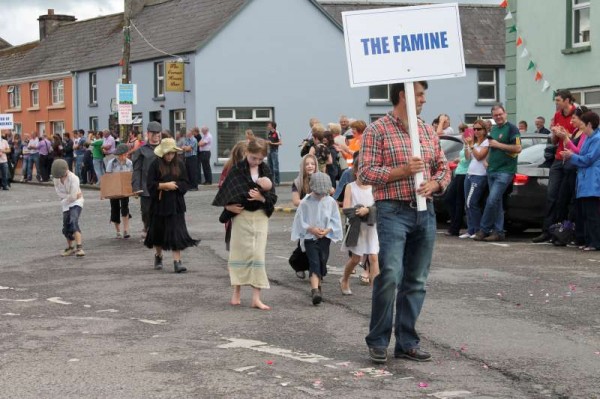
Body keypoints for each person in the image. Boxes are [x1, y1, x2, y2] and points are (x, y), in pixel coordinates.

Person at [358, 81, 450, 364]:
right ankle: (378, 340)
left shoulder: (424, 129)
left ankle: (407, 342)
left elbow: (444, 167)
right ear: (404, 95)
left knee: (417, 280)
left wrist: (435, 184)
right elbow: (366, 172)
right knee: (389, 275)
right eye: (419, 94)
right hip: (393, 211)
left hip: (425, 212)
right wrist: (402, 171)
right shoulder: (378, 129)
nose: (423, 100)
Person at [212, 139, 278, 310]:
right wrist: (228, 206)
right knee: (239, 254)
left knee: (258, 256)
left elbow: (273, 196)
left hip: (260, 216)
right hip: (241, 216)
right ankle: (236, 293)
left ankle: (256, 298)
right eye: (254, 158)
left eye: (260, 159)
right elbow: (227, 192)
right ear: (247, 152)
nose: (257, 161)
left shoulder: (266, 169)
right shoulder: (237, 169)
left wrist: (261, 198)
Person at [144, 138, 198, 273]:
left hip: (176, 204)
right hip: (159, 203)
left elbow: (186, 183)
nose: (169, 156)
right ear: (162, 153)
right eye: (167, 153)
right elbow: (150, 184)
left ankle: (177, 262)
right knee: (158, 233)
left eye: (172, 153)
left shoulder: (180, 164)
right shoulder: (155, 165)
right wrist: (163, 185)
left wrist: (176, 186)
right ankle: (158, 256)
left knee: (176, 232)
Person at [532, 91, 578, 243]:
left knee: (566, 198)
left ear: (567, 100)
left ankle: (565, 231)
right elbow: (553, 141)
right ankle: (547, 230)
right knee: (551, 195)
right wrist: (554, 134)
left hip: (570, 158)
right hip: (558, 159)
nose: (556, 103)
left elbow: (579, 138)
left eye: (558, 100)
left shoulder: (577, 114)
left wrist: (565, 134)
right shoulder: (557, 115)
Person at [291, 172, 343, 306]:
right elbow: (300, 221)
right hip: (310, 238)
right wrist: (311, 229)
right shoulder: (305, 203)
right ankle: (314, 290)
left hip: (325, 238)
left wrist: (328, 230)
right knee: (314, 262)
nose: (321, 196)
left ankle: (318, 287)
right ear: (312, 188)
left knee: (322, 261)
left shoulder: (330, 202)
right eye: (318, 193)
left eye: (323, 193)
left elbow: (335, 219)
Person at [474, 105, 522, 242]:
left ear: (505, 113)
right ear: (493, 117)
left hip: (505, 171)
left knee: (491, 200)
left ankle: (484, 229)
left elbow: (518, 148)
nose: (498, 117)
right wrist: (487, 160)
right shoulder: (494, 129)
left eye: (500, 114)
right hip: (492, 170)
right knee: (497, 203)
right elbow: (491, 147)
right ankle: (498, 232)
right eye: (495, 115)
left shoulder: (512, 128)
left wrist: (498, 145)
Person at [561, 112, 600, 251]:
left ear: (589, 124)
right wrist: (571, 155)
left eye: (583, 124)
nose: (581, 127)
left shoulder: (597, 139)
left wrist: (572, 156)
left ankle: (595, 242)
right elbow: (581, 155)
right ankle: (588, 240)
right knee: (584, 214)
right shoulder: (589, 138)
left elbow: (588, 159)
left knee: (592, 214)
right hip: (584, 180)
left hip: (593, 181)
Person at [339, 164, 380, 295]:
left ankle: (376, 291)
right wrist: (359, 211)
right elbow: (346, 209)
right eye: (359, 171)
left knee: (374, 258)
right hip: (357, 228)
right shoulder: (350, 187)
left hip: (372, 227)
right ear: (355, 172)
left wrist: (368, 210)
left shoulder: (374, 187)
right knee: (356, 259)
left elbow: (378, 206)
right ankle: (344, 279)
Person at [132, 121, 162, 239]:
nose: (155, 136)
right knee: (146, 211)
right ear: (147, 134)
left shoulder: (165, 148)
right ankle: (146, 225)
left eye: (158, 133)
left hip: (161, 184)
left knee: (160, 209)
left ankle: (156, 230)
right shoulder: (141, 150)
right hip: (145, 186)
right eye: (153, 133)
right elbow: (137, 170)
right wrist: (136, 187)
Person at [51, 158, 85, 257]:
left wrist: (67, 198)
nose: (60, 177)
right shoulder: (56, 179)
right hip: (65, 203)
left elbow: (74, 197)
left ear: (66, 170)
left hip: (77, 202)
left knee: (73, 221)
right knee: (66, 227)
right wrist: (67, 198)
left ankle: (79, 247)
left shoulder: (74, 178)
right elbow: (59, 193)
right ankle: (71, 247)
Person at [218, 141, 248, 251]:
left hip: (249, 215)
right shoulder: (229, 168)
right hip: (233, 215)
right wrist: (227, 206)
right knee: (235, 250)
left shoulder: (254, 168)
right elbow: (222, 190)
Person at [463, 120, 490, 238]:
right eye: (474, 129)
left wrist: (472, 146)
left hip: (479, 175)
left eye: (479, 129)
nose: (476, 131)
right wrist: (466, 145)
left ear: (484, 130)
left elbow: (479, 157)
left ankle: (478, 229)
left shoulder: (486, 142)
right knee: (467, 203)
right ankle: (471, 229)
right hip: (469, 174)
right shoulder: (474, 142)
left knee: (472, 202)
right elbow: (468, 157)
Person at [444, 125, 471, 236]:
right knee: (449, 199)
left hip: (464, 173)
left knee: (459, 201)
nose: (464, 136)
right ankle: (454, 223)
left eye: (466, 134)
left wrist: (460, 159)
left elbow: (468, 158)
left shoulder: (470, 145)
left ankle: (455, 227)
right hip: (458, 172)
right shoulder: (465, 144)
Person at [106, 144, 133, 239]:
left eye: (124, 155)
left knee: (125, 207)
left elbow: (131, 176)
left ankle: (126, 230)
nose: (122, 157)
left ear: (127, 154)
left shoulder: (129, 163)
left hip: (125, 188)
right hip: (114, 188)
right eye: (120, 155)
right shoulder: (111, 163)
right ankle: (118, 231)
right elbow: (108, 176)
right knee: (115, 208)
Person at [266, 121, 281, 186]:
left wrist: (272, 143)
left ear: (272, 126)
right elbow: (269, 141)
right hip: (269, 151)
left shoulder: (277, 132)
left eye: (269, 125)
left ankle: (277, 181)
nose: (268, 126)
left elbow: (280, 143)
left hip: (274, 151)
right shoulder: (269, 133)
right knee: (270, 167)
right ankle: (272, 182)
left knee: (275, 167)